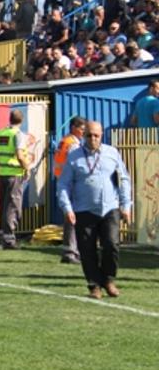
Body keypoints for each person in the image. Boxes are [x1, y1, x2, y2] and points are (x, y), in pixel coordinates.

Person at [57, 121, 132, 299]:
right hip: (84, 209)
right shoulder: (74, 157)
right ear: (84, 135)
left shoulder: (112, 153)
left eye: (96, 135)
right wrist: (67, 208)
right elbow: (63, 185)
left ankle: (108, 279)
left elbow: (124, 179)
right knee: (87, 249)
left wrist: (126, 205)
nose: (93, 139)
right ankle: (94, 285)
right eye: (89, 135)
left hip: (110, 208)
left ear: (101, 135)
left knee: (111, 245)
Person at [0, 109, 30, 250]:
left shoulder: (1, 133)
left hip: (2, 173)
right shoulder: (18, 135)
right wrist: (27, 168)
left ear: (10, 119)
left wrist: (2, 164)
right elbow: (20, 155)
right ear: (22, 120)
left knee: (4, 206)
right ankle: (9, 239)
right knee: (13, 207)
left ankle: (0, 238)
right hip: (15, 174)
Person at [53, 116, 86, 265]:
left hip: (63, 181)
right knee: (73, 217)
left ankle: (69, 250)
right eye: (82, 129)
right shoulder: (73, 144)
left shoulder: (64, 141)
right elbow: (77, 164)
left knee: (69, 217)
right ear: (74, 128)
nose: (84, 132)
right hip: (71, 183)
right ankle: (71, 251)